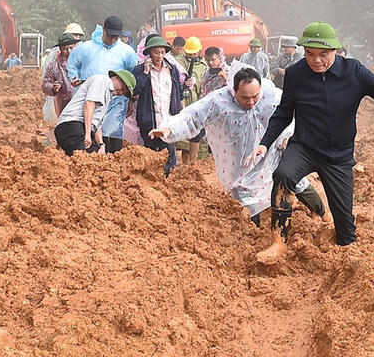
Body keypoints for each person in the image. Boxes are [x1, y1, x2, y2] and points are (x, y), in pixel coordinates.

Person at [246, 21, 374, 265]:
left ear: (335, 50)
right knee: (284, 174)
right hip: (305, 147)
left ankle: (344, 244)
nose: (316, 60)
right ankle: (278, 241)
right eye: (310, 54)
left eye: (323, 55)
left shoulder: (353, 70)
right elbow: (283, 113)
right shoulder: (296, 74)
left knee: (346, 233)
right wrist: (265, 143)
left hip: (338, 156)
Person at [149, 66, 321, 220]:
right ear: (234, 90)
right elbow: (192, 116)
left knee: (294, 179)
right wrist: (168, 129)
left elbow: (294, 114)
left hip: (273, 148)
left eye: (255, 96)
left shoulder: (272, 95)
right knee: (245, 195)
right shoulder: (219, 101)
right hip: (240, 158)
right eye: (245, 98)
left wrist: (289, 135)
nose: (251, 102)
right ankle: (253, 233)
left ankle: (321, 212)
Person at [67, 16, 139, 153]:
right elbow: (73, 64)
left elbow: (132, 77)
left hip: (116, 102)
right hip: (91, 100)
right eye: (110, 36)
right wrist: (73, 77)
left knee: (112, 136)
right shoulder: (85, 48)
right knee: (88, 137)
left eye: (116, 37)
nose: (112, 40)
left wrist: (131, 100)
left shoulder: (127, 52)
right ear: (104, 30)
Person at [132, 35, 184, 176]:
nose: (159, 56)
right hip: (149, 120)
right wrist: (145, 73)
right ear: (149, 53)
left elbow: (179, 91)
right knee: (149, 154)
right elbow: (135, 90)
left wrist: (181, 113)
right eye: (156, 52)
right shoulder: (139, 70)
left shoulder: (172, 69)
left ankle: (167, 180)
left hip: (168, 120)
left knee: (168, 154)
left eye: (162, 52)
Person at [54, 70, 136, 156]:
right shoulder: (102, 81)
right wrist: (88, 134)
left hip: (78, 128)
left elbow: (97, 124)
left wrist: (101, 145)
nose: (121, 92)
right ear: (116, 78)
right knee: (90, 160)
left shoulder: (107, 95)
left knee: (97, 158)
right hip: (72, 125)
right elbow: (89, 104)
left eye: (124, 93)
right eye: (123, 88)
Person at [178, 36, 207, 162]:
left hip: (198, 102)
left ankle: (194, 163)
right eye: (190, 53)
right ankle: (184, 164)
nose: (192, 55)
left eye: (195, 53)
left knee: (197, 133)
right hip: (183, 101)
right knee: (184, 136)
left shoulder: (203, 65)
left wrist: (195, 82)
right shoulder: (178, 62)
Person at [41, 32, 80, 117]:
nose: (69, 51)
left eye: (71, 48)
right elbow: (45, 85)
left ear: (76, 46)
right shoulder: (54, 66)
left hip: (82, 103)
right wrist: (53, 88)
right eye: (65, 49)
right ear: (60, 49)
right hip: (63, 105)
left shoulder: (82, 61)